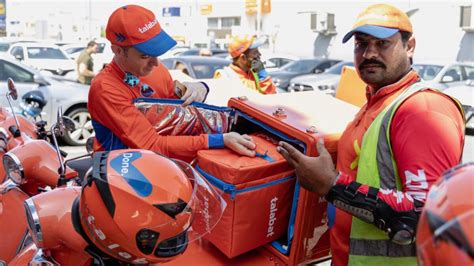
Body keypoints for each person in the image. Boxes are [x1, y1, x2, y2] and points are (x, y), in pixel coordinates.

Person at [276, 4, 465, 265]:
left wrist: (331, 186)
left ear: (409, 46)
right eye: (361, 43)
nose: (369, 53)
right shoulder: (375, 103)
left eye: (382, 43)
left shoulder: (422, 109)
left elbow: (424, 215)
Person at [88, 5, 256, 162]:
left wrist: (198, 89)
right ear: (117, 50)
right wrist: (219, 140)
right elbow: (151, 145)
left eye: (157, 53)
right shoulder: (105, 88)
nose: (155, 63)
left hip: (159, 166)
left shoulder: (156, 70)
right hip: (117, 173)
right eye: (145, 56)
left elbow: (176, 117)